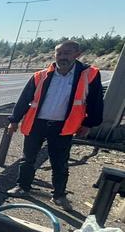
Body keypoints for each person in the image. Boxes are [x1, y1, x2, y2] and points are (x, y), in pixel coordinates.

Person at [6, 40, 103, 209]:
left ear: (77, 54)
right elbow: (24, 99)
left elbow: (96, 102)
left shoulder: (89, 75)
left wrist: (88, 124)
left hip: (64, 126)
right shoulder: (41, 75)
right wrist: (14, 120)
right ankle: (22, 186)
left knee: (59, 162)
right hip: (37, 123)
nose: (62, 57)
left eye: (67, 53)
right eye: (59, 53)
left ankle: (59, 195)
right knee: (28, 158)